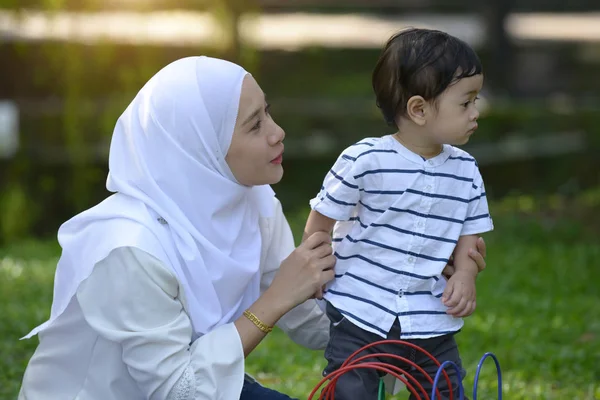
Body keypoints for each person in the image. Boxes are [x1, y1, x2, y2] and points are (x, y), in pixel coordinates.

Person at [18, 55, 487, 400]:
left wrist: (397, 282)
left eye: (269, 112)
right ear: (200, 149)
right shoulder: (128, 247)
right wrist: (275, 298)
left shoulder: (252, 202)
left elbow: (318, 325)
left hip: (211, 385)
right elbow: (178, 390)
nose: (277, 132)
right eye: (254, 124)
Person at [304, 28, 494, 399]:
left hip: (430, 312)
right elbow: (321, 221)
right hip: (361, 306)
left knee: (443, 388)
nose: (476, 112)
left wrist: (466, 275)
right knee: (351, 385)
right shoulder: (365, 160)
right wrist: (316, 271)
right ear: (419, 109)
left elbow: (470, 237)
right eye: (466, 102)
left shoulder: (466, 170)